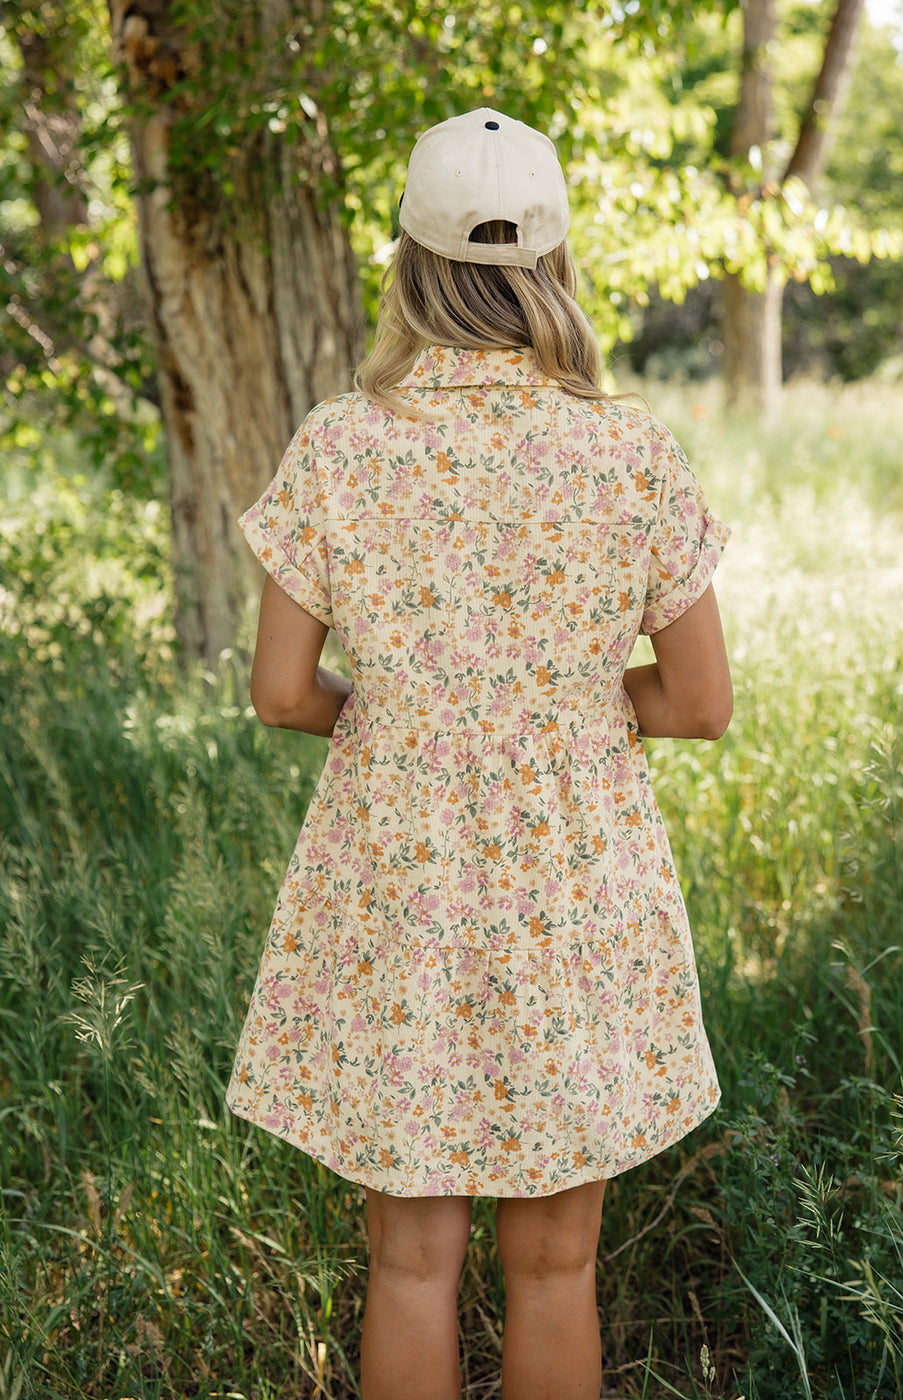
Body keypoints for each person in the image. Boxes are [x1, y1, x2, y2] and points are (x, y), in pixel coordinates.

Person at [227, 108, 732, 1400]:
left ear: (409, 261)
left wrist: (399, 711)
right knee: (556, 1261)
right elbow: (698, 702)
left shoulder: (341, 446)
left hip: (398, 877)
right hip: (574, 883)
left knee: (408, 1260)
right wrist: (562, 701)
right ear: (554, 265)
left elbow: (280, 692)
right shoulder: (625, 455)